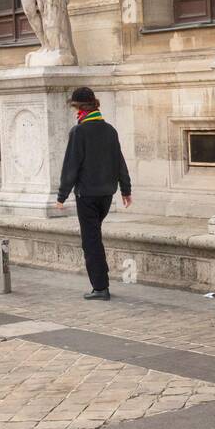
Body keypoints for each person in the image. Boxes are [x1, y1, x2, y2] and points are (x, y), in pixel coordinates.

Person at [54, 87, 131, 300]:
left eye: (75, 108)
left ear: (79, 108)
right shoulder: (110, 130)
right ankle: (100, 283)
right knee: (94, 236)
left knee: (91, 240)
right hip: (107, 194)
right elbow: (120, 162)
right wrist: (126, 190)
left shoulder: (79, 132)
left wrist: (62, 196)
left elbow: (71, 166)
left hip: (87, 195)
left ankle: (100, 287)